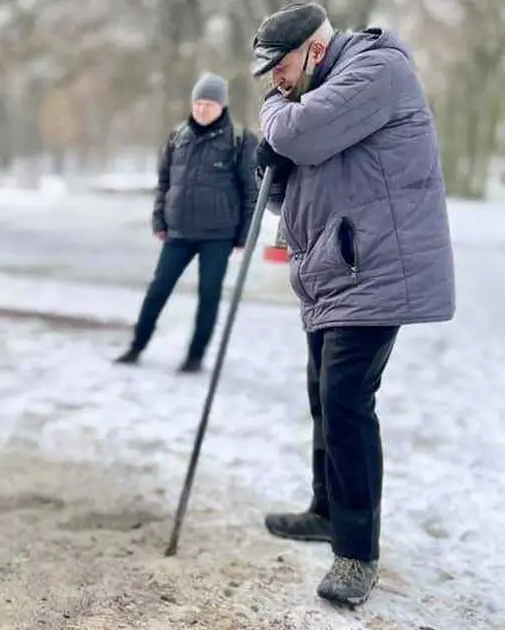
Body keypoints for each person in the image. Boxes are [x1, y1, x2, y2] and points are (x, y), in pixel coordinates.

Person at [251, 1, 455, 606]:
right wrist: (278, 168)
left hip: (377, 268)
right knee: (323, 392)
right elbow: (306, 166)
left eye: (280, 69)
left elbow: (299, 130)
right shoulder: (323, 91)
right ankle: (325, 509)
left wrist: (275, 121)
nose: (275, 83)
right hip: (336, 270)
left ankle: (357, 552)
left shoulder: (377, 70)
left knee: (345, 399)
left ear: (315, 49)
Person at [114, 72, 257, 373]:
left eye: (209, 103)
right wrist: (159, 220)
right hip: (178, 232)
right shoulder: (178, 137)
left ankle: (195, 356)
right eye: (198, 103)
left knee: (209, 295)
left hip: (218, 235)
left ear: (221, 106)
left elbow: (251, 192)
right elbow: (164, 182)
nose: (202, 109)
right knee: (158, 290)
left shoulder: (240, 140)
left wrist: (245, 236)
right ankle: (136, 346)